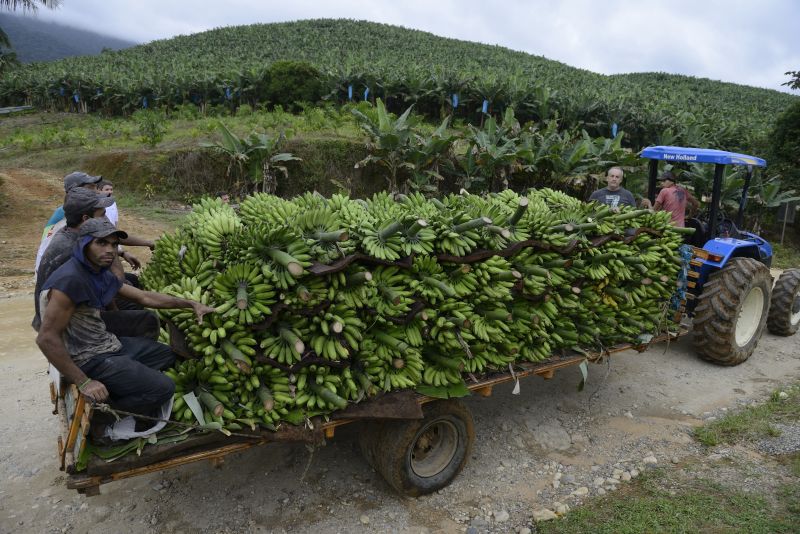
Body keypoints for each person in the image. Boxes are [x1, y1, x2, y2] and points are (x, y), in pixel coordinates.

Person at [36, 217, 215, 422]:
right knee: (165, 388)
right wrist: (84, 382)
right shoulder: (70, 281)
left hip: (107, 345)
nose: (110, 250)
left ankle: (120, 386)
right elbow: (46, 338)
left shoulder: (96, 271)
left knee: (170, 356)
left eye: (113, 244)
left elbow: (143, 297)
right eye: (101, 243)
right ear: (84, 244)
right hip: (88, 359)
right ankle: (104, 417)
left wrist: (190, 304)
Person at [35, 171, 102, 273]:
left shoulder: (73, 210)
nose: (97, 192)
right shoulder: (67, 214)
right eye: (91, 188)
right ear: (75, 191)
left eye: (96, 187)